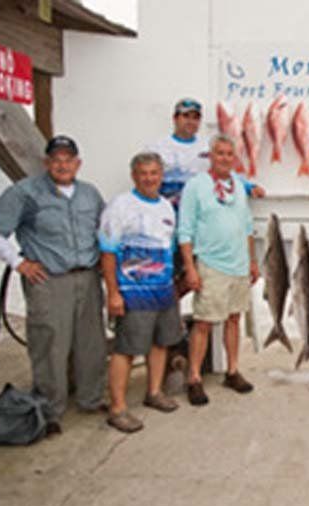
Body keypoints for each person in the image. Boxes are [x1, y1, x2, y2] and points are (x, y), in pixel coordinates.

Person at [0, 135, 107, 434]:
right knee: (49, 345)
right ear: (47, 162)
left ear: (78, 163)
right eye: (56, 159)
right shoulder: (26, 192)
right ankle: (50, 410)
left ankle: (91, 398)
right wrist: (17, 262)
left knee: (92, 342)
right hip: (48, 280)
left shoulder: (90, 194)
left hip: (87, 277)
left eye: (68, 159)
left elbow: (104, 229)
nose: (63, 165)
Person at [99, 152, 183, 433]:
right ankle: (118, 408)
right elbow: (108, 252)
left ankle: (154, 392)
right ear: (134, 175)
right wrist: (113, 292)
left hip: (163, 290)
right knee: (125, 350)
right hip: (132, 292)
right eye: (143, 173)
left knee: (161, 343)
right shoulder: (120, 205)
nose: (149, 178)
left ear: (161, 176)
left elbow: (168, 249)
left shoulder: (166, 208)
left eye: (154, 173)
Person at [177, 134, 259, 405]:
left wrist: (252, 261)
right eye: (219, 153)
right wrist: (190, 268)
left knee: (234, 319)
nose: (224, 158)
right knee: (203, 323)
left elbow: (247, 226)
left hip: (238, 265)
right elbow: (185, 230)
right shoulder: (196, 186)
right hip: (210, 264)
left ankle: (232, 370)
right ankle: (195, 377)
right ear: (210, 156)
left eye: (229, 154)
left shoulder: (237, 185)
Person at [148, 98, 264, 210]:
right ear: (175, 118)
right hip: (168, 211)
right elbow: (145, 181)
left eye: (195, 118)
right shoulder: (157, 148)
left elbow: (224, 172)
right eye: (186, 116)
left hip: (199, 212)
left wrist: (249, 187)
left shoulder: (208, 145)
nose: (191, 121)